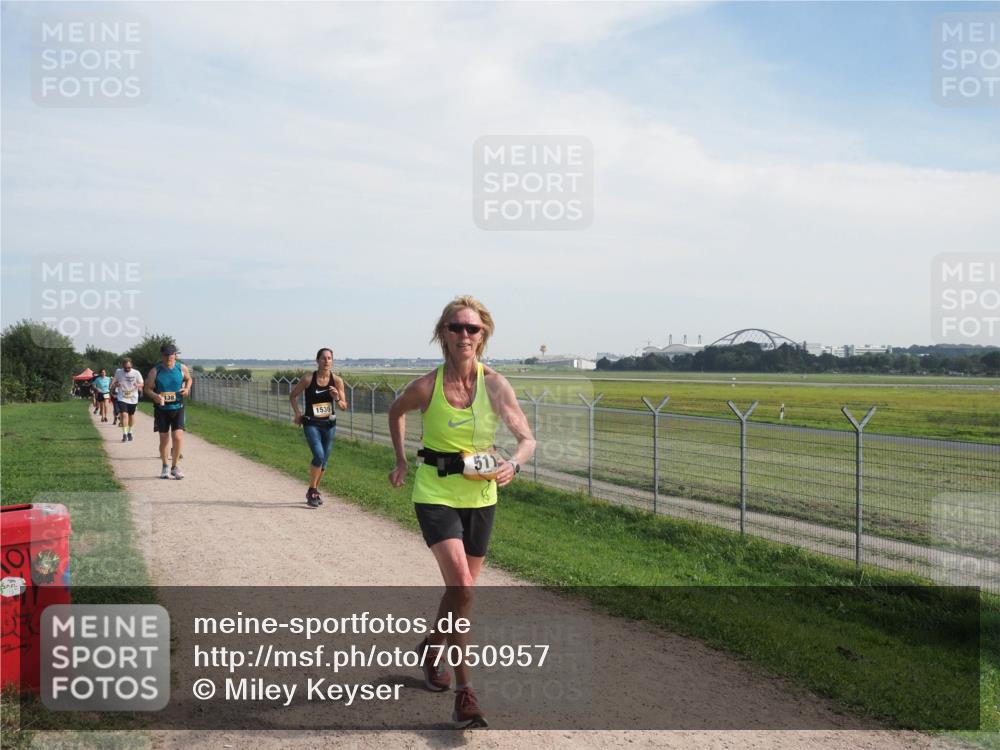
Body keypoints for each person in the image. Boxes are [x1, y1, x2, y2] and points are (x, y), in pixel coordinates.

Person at [387, 295, 535, 729]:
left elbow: (526, 438)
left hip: (482, 494)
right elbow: (396, 412)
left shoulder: (495, 385)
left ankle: (433, 644)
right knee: (465, 589)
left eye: (472, 328)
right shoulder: (427, 386)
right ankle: (465, 693)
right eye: (456, 328)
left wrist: (515, 462)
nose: (464, 335)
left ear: (483, 334)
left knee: (460, 591)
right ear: (443, 335)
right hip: (434, 491)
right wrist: (400, 460)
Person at [289, 349, 347, 508]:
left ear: (332, 361)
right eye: (323, 358)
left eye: (329, 358)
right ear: (317, 360)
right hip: (311, 423)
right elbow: (293, 395)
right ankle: (313, 491)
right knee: (319, 456)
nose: (326, 361)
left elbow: (343, 406)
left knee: (325, 461)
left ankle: (313, 490)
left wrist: (336, 398)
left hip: (329, 425)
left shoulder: (337, 381)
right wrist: (297, 413)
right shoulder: (308, 378)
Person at [144, 344, 192, 479]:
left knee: (177, 437)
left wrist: (187, 389)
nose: (168, 358)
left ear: (175, 355)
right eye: (166, 355)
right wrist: (155, 396)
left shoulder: (181, 368)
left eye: (171, 355)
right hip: (162, 409)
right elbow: (147, 389)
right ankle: (165, 466)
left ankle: (174, 466)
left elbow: (189, 379)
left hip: (178, 407)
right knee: (164, 439)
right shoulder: (155, 371)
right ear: (162, 356)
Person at [110, 358, 144, 443]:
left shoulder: (136, 373)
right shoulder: (118, 372)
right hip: (122, 397)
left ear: (131, 365)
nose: (127, 369)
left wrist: (138, 385)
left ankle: (130, 431)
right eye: (125, 368)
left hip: (133, 397)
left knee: (131, 415)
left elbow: (142, 384)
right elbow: (113, 383)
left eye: (129, 367)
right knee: (124, 414)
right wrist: (115, 384)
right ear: (123, 366)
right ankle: (124, 434)